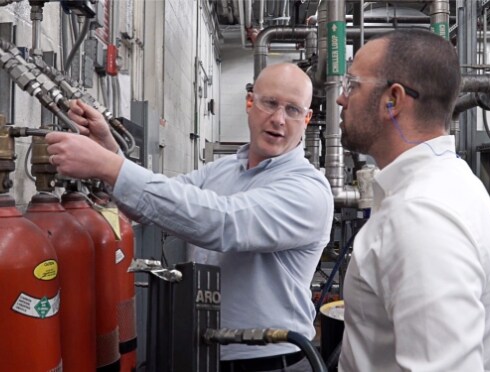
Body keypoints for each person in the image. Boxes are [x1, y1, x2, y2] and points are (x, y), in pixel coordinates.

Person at [46, 62, 334, 371]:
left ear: (306, 119)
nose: (278, 119)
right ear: (250, 103)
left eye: (292, 110)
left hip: (269, 362)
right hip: (205, 353)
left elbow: (223, 224)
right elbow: (153, 209)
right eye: (270, 103)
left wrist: (109, 167)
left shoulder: (308, 190)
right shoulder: (223, 170)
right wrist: (111, 153)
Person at [336, 29, 490, 371]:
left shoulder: (421, 214)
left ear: (394, 100)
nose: (341, 99)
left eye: (353, 85)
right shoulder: (449, 184)